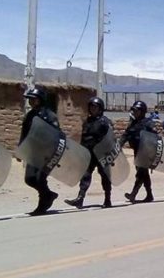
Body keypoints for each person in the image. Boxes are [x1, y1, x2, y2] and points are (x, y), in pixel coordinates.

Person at [64, 97, 113, 208]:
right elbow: (83, 138)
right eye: (91, 107)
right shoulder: (87, 121)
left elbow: (111, 138)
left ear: (100, 108)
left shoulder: (105, 122)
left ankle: (107, 199)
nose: (93, 109)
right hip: (89, 153)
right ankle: (80, 198)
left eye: (95, 107)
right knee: (85, 175)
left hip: (101, 154)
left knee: (105, 176)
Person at [21, 86, 61, 216]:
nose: (31, 102)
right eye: (30, 100)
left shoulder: (50, 116)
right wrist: (20, 149)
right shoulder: (30, 115)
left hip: (47, 153)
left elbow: (56, 135)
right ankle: (48, 194)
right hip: (33, 152)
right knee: (29, 179)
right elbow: (24, 134)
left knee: (39, 178)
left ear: (41, 100)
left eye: (34, 99)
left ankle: (43, 203)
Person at [120, 101, 156, 203]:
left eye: (137, 111)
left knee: (141, 173)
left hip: (146, 152)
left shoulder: (148, 123)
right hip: (137, 152)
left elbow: (155, 137)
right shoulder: (133, 124)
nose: (135, 112)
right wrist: (118, 145)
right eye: (134, 110)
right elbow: (125, 135)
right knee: (144, 174)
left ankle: (133, 194)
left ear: (142, 111)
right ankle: (149, 195)